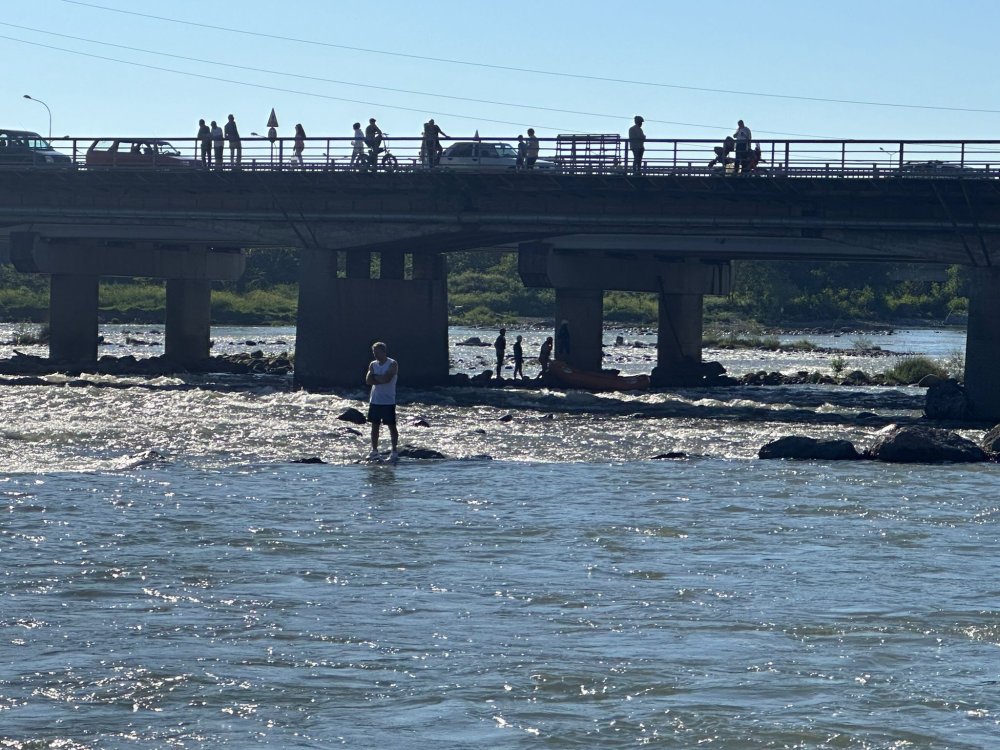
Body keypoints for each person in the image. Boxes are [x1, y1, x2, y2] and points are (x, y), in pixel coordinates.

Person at [365, 341, 399, 461]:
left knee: (391, 426)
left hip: (388, 400)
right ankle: (374, 451)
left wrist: (376, 378)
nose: (375, 354)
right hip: (375, 400)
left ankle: (394, 451)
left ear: (383, 352)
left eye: (377, 352)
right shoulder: (373, 364)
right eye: (374, 352)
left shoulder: (392, 363)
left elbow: (387, 379)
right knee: (374, 426)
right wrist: (377, 378)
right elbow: (368, 380)